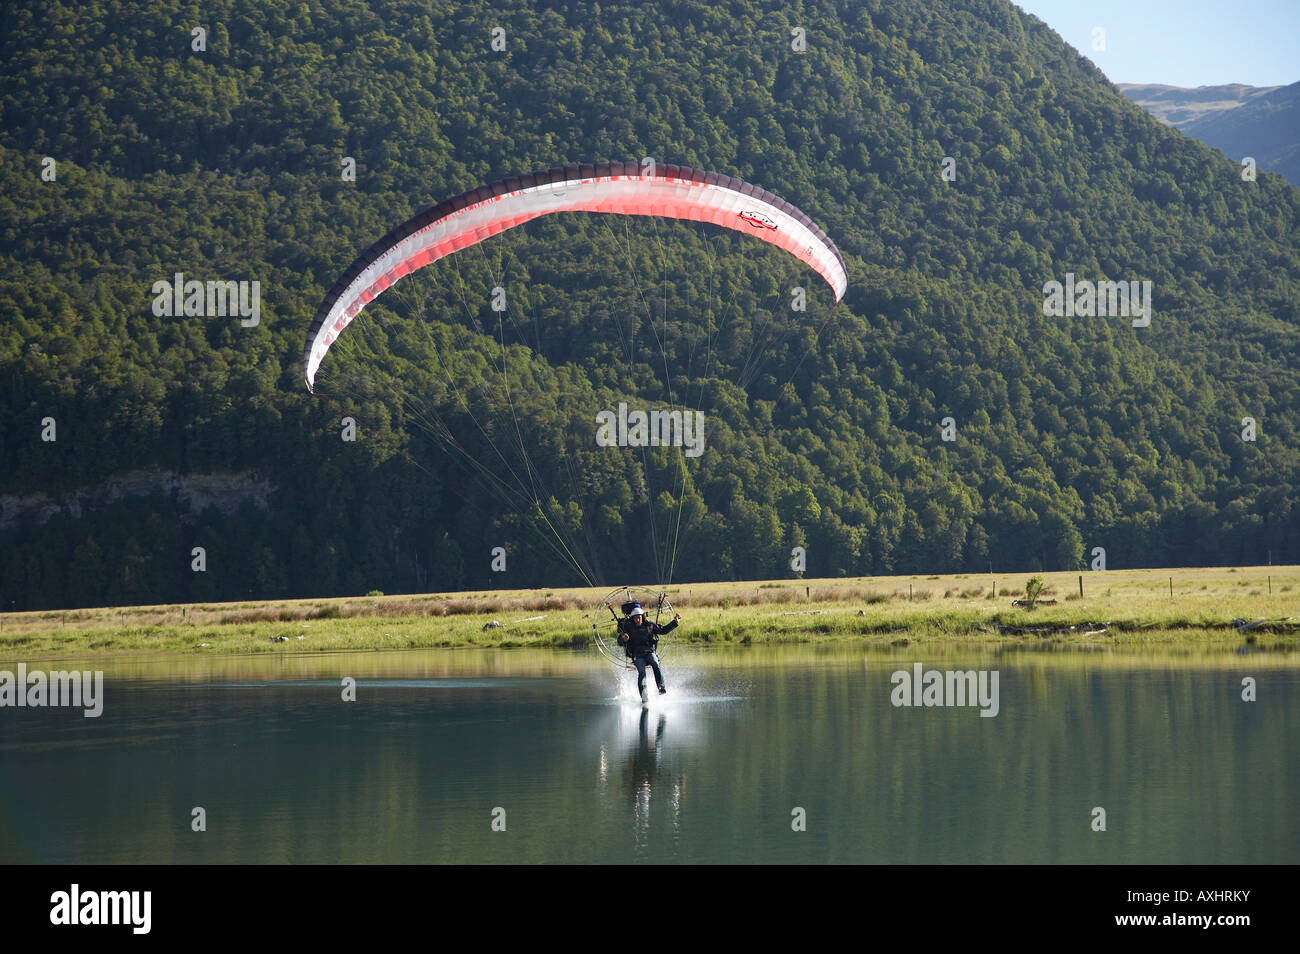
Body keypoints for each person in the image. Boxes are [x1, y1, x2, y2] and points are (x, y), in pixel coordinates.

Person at [617, 603, 680, 702]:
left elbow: (663, 630)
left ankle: (661, 687)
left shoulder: (650, 626)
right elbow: (619, 642)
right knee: (642, 672)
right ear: (633, 618)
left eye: (639, 618)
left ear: (642, 617)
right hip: (637, 655)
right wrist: (623, 638)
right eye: (635, 618)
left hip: (649, 652)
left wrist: (674, 622)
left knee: (655, 663)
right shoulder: (628, 628)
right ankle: (644, 696)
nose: (638, 620)